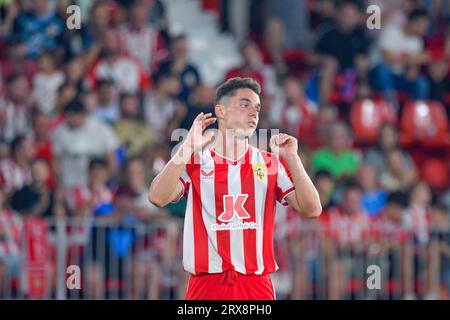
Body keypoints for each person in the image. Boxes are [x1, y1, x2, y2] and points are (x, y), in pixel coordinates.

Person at [148, 77, 321, 300]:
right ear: (221, 110)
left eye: (257, 108)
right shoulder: (196, 161)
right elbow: (157, 197)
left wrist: (292, 158)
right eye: (245, 104)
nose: (254, 113)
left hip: (256, 285)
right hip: (207, 285)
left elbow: (312, 209)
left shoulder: (270, 163)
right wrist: (186, 148)